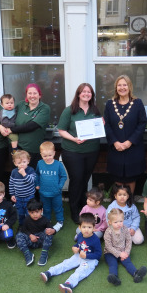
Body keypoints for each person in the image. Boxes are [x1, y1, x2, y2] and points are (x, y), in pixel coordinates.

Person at [57, 83, 102, 224]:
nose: (86, 94)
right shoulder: (69, 111)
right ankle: (75, 211)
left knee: (84, 180)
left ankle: (84, 207)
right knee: (76, 180)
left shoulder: (95, 110)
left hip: (91, 151)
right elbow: (61, 130)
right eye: (83, 92)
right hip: (72, 151)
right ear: (78, 94)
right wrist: (74, 139)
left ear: (92, 95)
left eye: (89, 92)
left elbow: (98, 127)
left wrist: (102, 125)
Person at [104, 75, 147, 195]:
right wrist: (115, 142)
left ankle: (130, 204)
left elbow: (142, 123)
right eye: (119, 85)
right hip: (116, 148)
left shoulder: (137, 103)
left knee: (131, 178)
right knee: (117, 177)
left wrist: (129, 142)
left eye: (125, 85)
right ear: (116, 87)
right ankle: (118, 205)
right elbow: (106, 124)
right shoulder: (109, 104)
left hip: (133, 148)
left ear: (129, 87)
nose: (122, 87)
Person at [40, 213, 102, 293]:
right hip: (79, 255)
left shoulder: (95, 240)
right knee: (66, 263)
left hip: (90, 260)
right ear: (79, 227)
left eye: (89, 227)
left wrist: (87, 256)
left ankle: (69, 284)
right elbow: (78, 244)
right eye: (84, 227)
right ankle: (49, 272)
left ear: (94, 228)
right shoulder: (80, 235)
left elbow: (98, 254)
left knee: (81, 271)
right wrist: (74, 247)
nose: (86, 230)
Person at [4, 83, 51, 169]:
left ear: (39, 95)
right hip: (16, 148)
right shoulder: (21, 105)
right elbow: (7, 115)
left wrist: (11, 130)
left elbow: (32, 126)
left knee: (30, 175)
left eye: (35, 93)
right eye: (29, 93)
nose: (32, 96)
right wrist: (1, 126)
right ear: (26, 95)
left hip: (32, 149)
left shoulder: (44, 108)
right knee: (17, 174)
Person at [104, 208, 147, 286]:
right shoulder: (108, 232)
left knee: (127, 262)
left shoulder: (124, 228)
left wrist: (126, 252)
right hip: (110, 253)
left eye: (121, 221)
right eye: (116, 222)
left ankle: (136, 274)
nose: (119, 224)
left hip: (123, 251)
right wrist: (119, 254)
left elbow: (128, 241)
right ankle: (114, 277)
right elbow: (108, 246)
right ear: (110, 222)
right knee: (113, 264)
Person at [35, 141, 67, 232]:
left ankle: (60, 221)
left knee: (58, 207)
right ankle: (47, 221)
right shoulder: (40, 163)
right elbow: (37, 174)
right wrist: (37, 184)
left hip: (56, 193)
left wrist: (60, 186)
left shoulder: (58, 164)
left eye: (50, 155)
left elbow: (63, 176)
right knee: (46, 208)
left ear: (54, 153)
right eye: (45, 156)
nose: (47, 158)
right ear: (41, 154)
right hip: (43, 193)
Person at [16, 199, 56, 267]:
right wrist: (30, 235)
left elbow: (51, 230)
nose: (35, 215)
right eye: (32, 212)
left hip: (41, 242)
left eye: (37, 212)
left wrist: (53, 231)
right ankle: (27, 254)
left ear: (41, 210)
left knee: (49, 232)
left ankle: (44, 254)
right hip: (30, 241)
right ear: (28, 212)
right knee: (18, 235)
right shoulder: (27, 219)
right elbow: (23, 229)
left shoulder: (45, 220)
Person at [9, 150, 37, 226]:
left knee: (29, 213)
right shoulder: (14, 172)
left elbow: (31, 181)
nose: (22, 164)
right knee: (20, 213)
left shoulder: (30, 170)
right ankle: (21, 226)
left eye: (24, 162)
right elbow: (11, 184)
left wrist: (24, 174)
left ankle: (30, 226)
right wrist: (12, 194)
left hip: (29, 197)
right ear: (15, 163)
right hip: (18, 198)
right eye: (19, 163)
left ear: (28, 161)